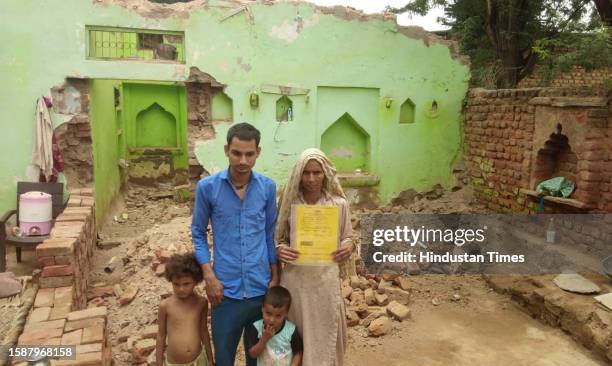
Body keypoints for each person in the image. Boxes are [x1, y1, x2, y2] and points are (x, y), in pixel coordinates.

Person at [192, 122, 279, 366]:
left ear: (258, 153)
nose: (243, 160)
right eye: (236, 153)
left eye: (249, 154)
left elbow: (269, 233)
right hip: (224, 292)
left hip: (259, 290)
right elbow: (198, 232)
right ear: (226, 150)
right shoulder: (207, 188)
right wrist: (208, 275)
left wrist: (274, 278)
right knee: (224, 358)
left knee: (257, 356)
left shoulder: (267, 188)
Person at [275, 148, 354, 366]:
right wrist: (280, 248)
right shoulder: (290, 204)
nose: (311, 178)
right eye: (306, 173)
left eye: (316, 172)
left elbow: (348, 237)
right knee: (297, 334)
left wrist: (348, 246)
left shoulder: (339, 204)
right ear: (298, 174)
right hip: (296, 283)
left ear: (325, 173)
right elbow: (277, 238)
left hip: (325, 280)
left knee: (326, 331)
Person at [156, 253, 214, 366]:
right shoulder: (165, 306)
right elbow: (161, 335)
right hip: (175, 363)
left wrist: (210, 359)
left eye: (186, 284)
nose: (181, 289)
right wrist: (158, 361)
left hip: (199, 360)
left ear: (196, 281)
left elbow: (203, 331)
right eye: (176, 284)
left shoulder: (201, 303)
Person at [245, 286, 303, 366]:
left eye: (278, 316)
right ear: (262, 308)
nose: (272, 320)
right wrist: (264, 339)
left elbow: (298, 352)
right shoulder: (256, 328)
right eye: (268, 313)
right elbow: (253, 354)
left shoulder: (291, 330)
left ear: (286, 313)